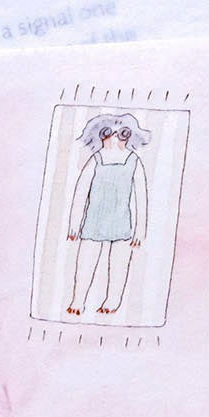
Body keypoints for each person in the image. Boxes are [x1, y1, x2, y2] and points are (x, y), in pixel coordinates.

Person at [65, 111, 152, 317]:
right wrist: (74, 223)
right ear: (98, 136)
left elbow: (141, 197)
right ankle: (78, 300)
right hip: (93, 221)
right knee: (85, 262)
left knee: (119, 265)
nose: (114, 139)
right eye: (107, 133)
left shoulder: (133, 161)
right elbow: (81, 192)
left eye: (122, 133)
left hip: (121, 222)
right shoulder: (96, 159)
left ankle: (112, 301)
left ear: (130, 137)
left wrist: (140, 229)